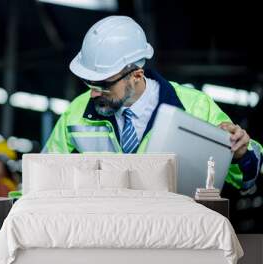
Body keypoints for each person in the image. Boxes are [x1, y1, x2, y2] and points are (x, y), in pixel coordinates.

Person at [43, 15, 263, 191]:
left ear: (136, 76)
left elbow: (245, 181)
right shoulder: (75, 113)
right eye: (89, 83)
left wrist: (242, 155)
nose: (92, 94)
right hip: (103, 236)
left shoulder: (196, 107)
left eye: (104, 85)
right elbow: (42, 177)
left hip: (173, 237)